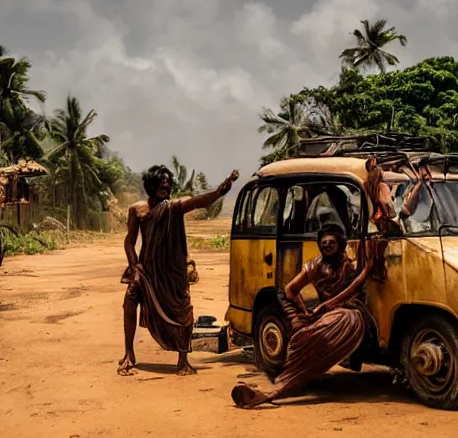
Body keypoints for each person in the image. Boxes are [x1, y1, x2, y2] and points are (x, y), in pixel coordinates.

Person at [231, 223, 373, 408]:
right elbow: (291, 290)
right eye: (324, 243)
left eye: (331, 242)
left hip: (351, 315)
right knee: (301, 339)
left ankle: (276, 391)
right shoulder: (314, 265)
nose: (327, 245)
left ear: (341, 244)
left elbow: (354, 288)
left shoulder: (352, 265)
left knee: (326, 327)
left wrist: (325, 307)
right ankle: (281, 386)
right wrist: (304, 311)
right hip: (326, 315)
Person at [117, 165, 238, 376]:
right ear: (151, 186)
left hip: (171, 271)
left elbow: (197, 201)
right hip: (146, 269)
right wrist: (134, 265)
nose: (165, 188)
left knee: (183, 311)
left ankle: (183, 359)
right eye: (161, 185)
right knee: (129, 300)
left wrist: (220, 192)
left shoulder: (173, 206)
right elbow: (129, 242)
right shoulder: (137, 209)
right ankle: (129, 353)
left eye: (167, 185)